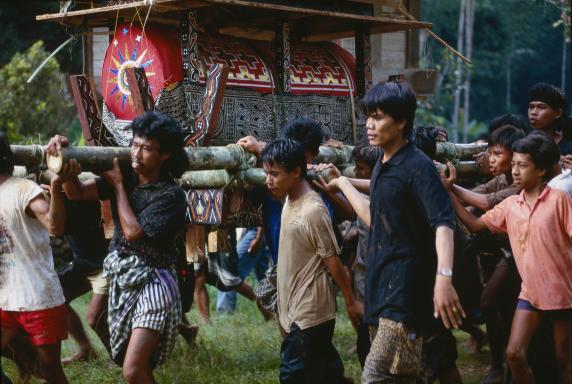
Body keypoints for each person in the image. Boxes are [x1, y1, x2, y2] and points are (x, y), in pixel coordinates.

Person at [320, 82, 464, 383]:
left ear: (401, 122)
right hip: (380, 287)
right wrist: (343, 183)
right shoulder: (383, 163)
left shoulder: (418, 166)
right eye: (369, 116)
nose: (370, 125)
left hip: (407, 292)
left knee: (375, 375)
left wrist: (444, 278)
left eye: (379, 117)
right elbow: (376, 216)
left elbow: (443, 223)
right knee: (401, 377)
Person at [47, 111, 188, 384]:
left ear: (165, 155)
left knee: (133, 371)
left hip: (154, 281)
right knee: (106, 331)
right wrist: (66, 162)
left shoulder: (172, 195)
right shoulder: (127, 176)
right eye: (134, 144)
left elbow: (134, 232)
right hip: (120, 273)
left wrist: (119, 186)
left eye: (146, 148)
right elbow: (77, 193)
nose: (136, 153)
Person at [447, 131, 572, 384]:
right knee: (514, 354)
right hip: (530, 293)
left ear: (540, 170)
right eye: (513, 164)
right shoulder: (511, 205)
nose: (515, 171)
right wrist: (448, 191)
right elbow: (474, 224)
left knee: (564, 362)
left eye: (522, 165)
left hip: (563, 294)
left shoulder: (559, 199)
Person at [261, 138, 362, 384]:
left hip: (310, 310)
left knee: (292, 376)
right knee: (323, 374)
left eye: (274, 174)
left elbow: (332, 260)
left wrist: (350, 301)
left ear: (296, 172)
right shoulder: (288, 200)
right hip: (295, 307)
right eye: (266, 174)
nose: (268, 180)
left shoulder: (313, 210)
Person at [443, 125, 526, 384]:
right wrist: (451, 189)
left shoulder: (519, 186)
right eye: (489, 153)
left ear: (514, 155)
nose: (491, 158)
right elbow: (476, 195)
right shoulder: (501, 179)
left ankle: (504, 365)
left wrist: (449, 188)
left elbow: (482, 203)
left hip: (517, 255)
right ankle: (501, 364)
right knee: (500, 307)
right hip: (503, 253)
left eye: (497, 153)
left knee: (491, 302)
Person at [0, 131, 71, 384]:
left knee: (52, 371)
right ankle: (27, 366)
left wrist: (55, 188)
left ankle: (31, 367)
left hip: (37, 299)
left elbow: (54, 227)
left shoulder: (23, 189)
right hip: (5, 299)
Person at [56, 197, 111, 362]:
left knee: (95, 317)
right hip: (83, 262)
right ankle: (85, 349)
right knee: (56, 298)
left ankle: (120, 358)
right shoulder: (55, 192)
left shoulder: (95, 189)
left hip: (107, 262)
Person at [216, 227, 271, 313]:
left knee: (228, 273)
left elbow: (261, 213)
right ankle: (274, 312)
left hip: (256, 230)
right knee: (265, 279)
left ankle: (225, 314)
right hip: (254, 230)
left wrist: (258, 238)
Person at [528, 82, 572, 155]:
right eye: (531, 107)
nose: (533, 112)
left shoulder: (568, 150)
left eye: (541, 107)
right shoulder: (521, 144)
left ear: (558, 113)